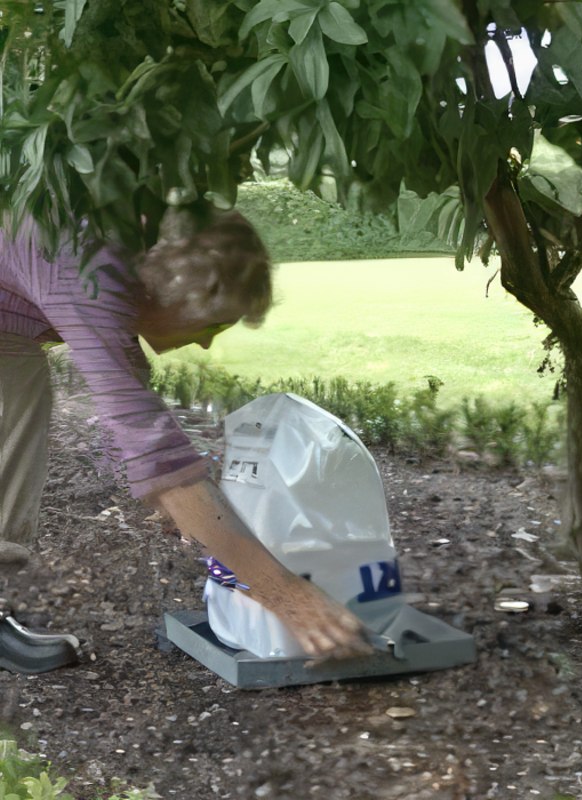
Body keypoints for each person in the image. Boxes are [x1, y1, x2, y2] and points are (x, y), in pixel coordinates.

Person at [0, 207, 369, 659]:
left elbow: (134, 417)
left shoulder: (121, 258)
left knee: (17, 392)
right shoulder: (84, 272)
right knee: (13, 395)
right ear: (175, 293)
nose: (208, 342)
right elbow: (150, 445)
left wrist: (171, 494)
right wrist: (290, 598)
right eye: (214, 324)